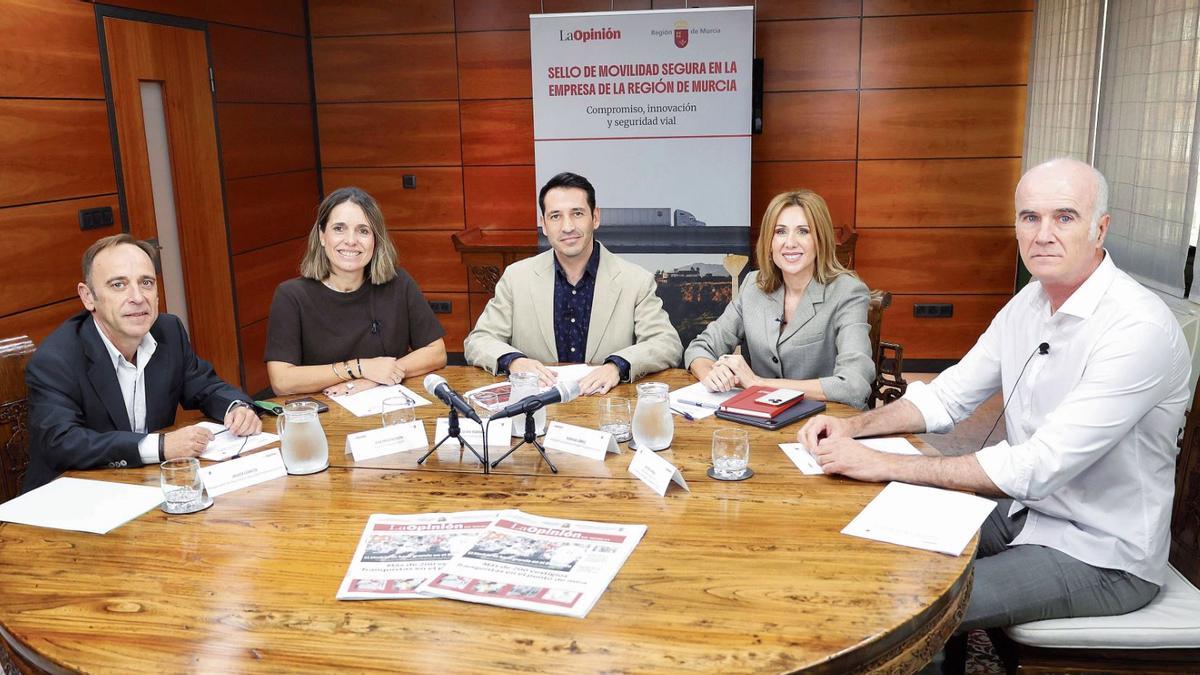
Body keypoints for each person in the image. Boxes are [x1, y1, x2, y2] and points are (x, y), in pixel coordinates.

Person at [799, 158, 1190, 640]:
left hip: (1103, 553)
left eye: (1064, 217)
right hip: (1027, 512)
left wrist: (882, 463)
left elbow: (1037, 466)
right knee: (871, 546)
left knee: (909, 598)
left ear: (1100, 229)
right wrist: (852, 427)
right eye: (1030, 217)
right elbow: (947, 396)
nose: (1043, 234)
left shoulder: (1137, 327)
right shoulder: (1028, 302)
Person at [24, 234, 261, 492]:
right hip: (72, 497)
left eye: (146, 282)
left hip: (145, 486)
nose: (137, 297)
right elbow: (62, 442)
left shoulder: (168, 331)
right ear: (88, 296)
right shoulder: (56, 359)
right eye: (118, 285)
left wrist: (237, 408)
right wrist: (159, 447)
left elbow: (204, 385)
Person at [463, 172, 682, 395]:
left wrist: (617, 365)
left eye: (577, 213)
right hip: (539, 404)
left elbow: (667, 343)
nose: (567, 227)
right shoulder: (516, 277)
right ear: (544, 225)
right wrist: (514, 361)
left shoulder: (635, 280)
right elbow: (479, 340)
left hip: (605, 403)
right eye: (555, 216)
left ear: (595, 217)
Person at [684, 189, 874, 408]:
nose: (790, 243)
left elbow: (854, 385)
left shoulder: (848, 292)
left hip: (827, 419)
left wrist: (758, 384)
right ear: (770, 242)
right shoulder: (753, 285)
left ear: (820, 240)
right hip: (760, 418)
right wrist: (711, 374)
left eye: (803, 231)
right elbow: (700, 347)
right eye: (780, 231)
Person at [265, 187, 447, 396]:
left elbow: (436, 352)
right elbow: (282, 381)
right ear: (322, 236)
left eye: (363, 231)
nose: (351, 240)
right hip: (326, 410)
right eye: (339, 228)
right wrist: (359, 368)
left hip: (389, 405)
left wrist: (376, 378)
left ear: (375, 240)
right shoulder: (291, 296)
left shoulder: (398, 283)